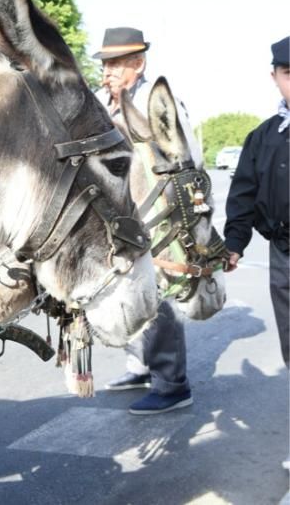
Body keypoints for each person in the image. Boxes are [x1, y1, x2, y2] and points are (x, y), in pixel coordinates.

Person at [93, 26, 193, 414]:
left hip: (156, 210)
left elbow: (178, 159)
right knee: (127, 292)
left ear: (139, 63)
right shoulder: (105, 101)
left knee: (160, 295)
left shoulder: (158, 102)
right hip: (119, 214)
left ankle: (172, 384)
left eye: (117, 64)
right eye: (105, 64)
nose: (108, 72)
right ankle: (139, 365)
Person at [224, 36, 289, 369]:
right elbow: (243, 194)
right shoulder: (263, 137)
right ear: (275, 77)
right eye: (288, 72)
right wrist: (234, 243)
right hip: (284, 252)